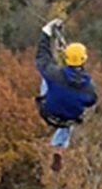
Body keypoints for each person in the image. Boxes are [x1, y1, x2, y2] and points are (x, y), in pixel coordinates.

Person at [35, 18, 97, 172]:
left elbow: (42, 57)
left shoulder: (54, 75)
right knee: (69, 111)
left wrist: (46, 32)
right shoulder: (88, 88)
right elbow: (91, 101)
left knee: (48, 77)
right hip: (67, 120)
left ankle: (59, 56)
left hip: (48, 112)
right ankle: (58, 148)